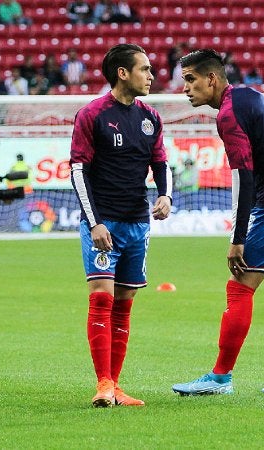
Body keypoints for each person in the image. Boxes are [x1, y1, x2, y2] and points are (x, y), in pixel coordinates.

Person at [171, 49, 264, 396]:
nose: (185, 89)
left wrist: (238, 238)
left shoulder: (228, 114)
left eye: (190, 80)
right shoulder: (251, 96)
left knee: (239, 286)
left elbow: (246, 177)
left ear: (211, 78)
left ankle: (220, 378)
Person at [69, 43, 172, 407]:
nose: (151, 75)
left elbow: (161, 162)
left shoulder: (150, 117)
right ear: (122, 73)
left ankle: (116, 384)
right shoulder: (92, 114)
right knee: (101, 299)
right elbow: (78, 171)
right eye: (144, 69)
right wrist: (94, 222)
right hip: (103, 226)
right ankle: (102, 384)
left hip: (137, 224)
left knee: (124, 306)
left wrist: (165, 195)